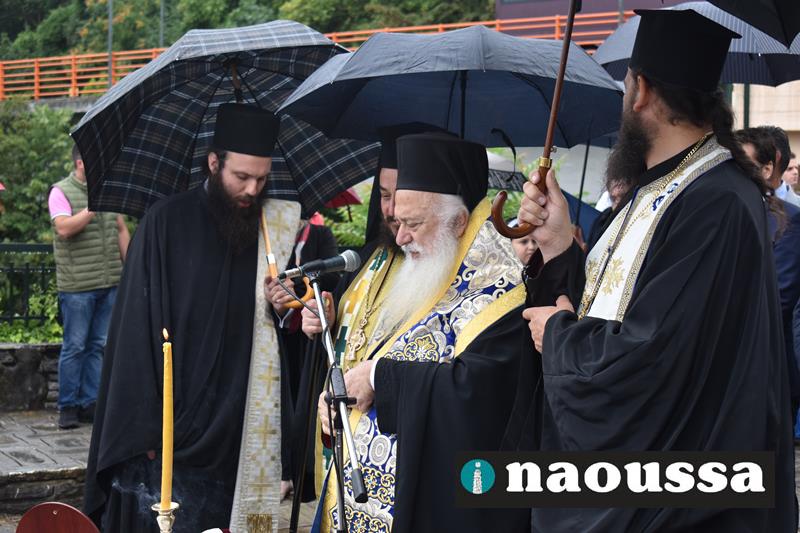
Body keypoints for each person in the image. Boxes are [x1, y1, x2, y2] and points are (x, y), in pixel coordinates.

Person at [517, 9, 795, 531]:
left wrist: (557, 336)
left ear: (640, 91)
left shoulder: (714, 200)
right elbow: (615, 303)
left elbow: (652, 355)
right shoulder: (666, 187)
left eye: (626, 87)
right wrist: (557, 245)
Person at [84, 103, 305, 532]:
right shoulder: (165, 223)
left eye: (261, 179)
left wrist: (283, 309)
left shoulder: (269, 232)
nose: (252, 189)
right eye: (242, 176)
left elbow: (281, 338)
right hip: (172, 430)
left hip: (240, 428)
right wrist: (145, 429)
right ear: (213, 162)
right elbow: (135, 331)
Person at [308, 132, 532, 533]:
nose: (400, 237)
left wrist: (379, 379)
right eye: (398, 222)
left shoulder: (500, 293)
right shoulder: (428, 269)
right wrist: (339, 397)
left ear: (458, 222)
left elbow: (480, 398)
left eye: (413, 224)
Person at [49, 144, 130, 429]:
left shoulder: (109, 189)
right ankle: (68, 406)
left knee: (98, 346)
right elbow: (63, 228)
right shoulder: (60, 192)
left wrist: (132, 267)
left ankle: (90, 403)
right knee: (75, 346)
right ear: (81, 163)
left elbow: (121, 229)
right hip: (78, 287)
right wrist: (92, 207)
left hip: (109, 283)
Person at [737, 127, 800, 419]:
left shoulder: (788, 219)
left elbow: (780, 295)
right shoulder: (721, 213)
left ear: (766, 169)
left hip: (768, 364)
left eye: (743, 163)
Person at [277, 218, 339, 502]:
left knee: (304, 409)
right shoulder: (276, 237)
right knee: (282, 404)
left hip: (311, 341)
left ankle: (301, 474)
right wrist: (279, 295)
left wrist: (305, 285)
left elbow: (332, 279)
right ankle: (284, 473)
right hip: (283, 336)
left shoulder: (320, 234)